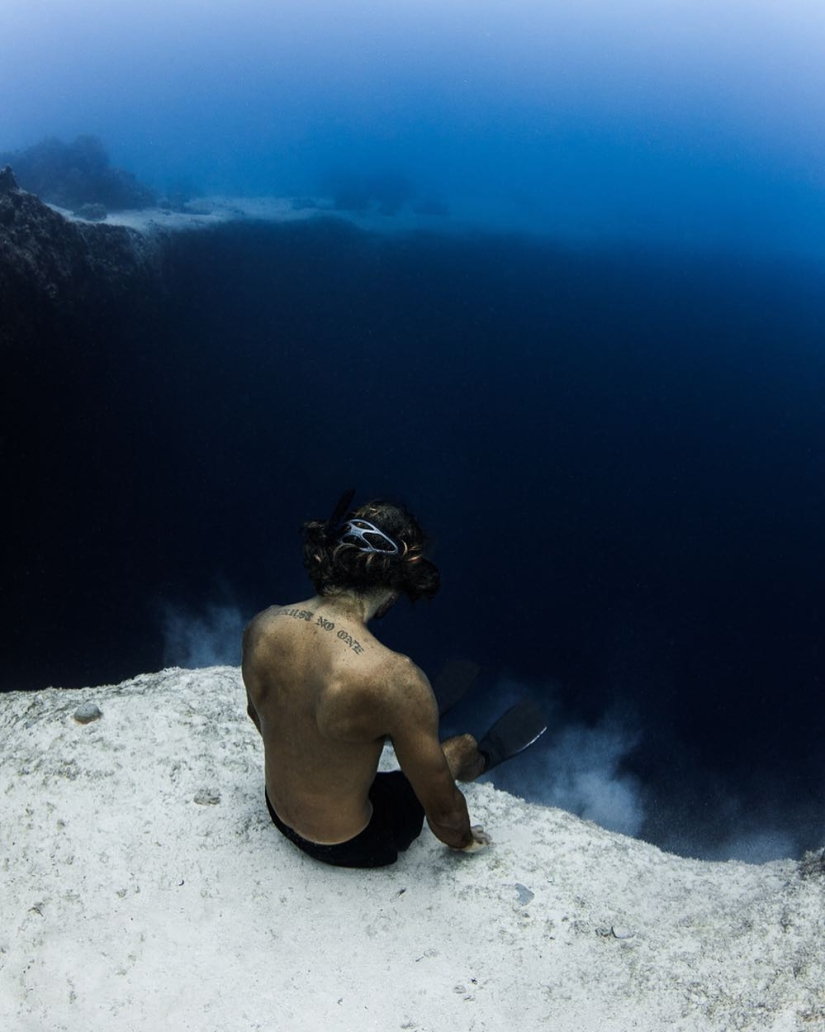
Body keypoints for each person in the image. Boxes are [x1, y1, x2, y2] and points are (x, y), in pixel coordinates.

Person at [242, 490, 545, 868]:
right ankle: (476, 758)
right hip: (350, 843)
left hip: (276, 811)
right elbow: (445, 817)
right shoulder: (394, 678)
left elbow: (259, 717)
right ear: (400, 579)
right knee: (460, 746)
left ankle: (396, 726)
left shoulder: (263, 625)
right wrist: (466, 842)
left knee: (359, 726)